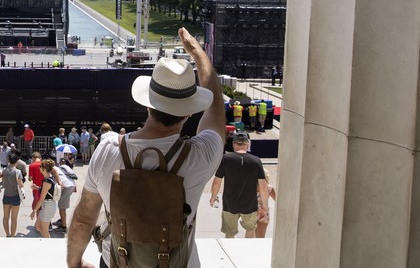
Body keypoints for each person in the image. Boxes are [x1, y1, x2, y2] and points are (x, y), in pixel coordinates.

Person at [67, 28, 226, 268]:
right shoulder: (201, 155)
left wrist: (75, 263)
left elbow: (83, 219)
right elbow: (215, 108)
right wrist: (198, 54)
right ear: (189, 111)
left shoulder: (108, 148)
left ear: (147, 104)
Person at [209, 132, 268, 239]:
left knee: (229, 233)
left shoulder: (225, 159)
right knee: (250, 231)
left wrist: (213, 197)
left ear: (233, 144)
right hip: (250, 204)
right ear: (247, 144)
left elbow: (217, 181)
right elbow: (263, 186)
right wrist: (264, 206)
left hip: (229, 203)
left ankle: (230, 253)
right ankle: (247, 253)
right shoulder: (256, 161)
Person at [31, 158, 58, 238]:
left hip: (48, 206)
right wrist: (38, 188)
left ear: (44, 169)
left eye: (40, 167)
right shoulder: (50, 178)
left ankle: (49, 246)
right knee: (38, 226)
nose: (39, 168)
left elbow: (42, 198)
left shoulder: (46, 181)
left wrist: (34, 210)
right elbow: (47, 191)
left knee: (44, 230)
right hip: (48, 205)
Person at [1, 151, 25, 237]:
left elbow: (3, 183)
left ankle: (7, 234)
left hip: (6, 195)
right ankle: (12, 235)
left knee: (5, 217)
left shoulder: (4, 170)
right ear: (16, 161)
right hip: (15, 196)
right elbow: (21, 185)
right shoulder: (17, 172)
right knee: (14, 218)